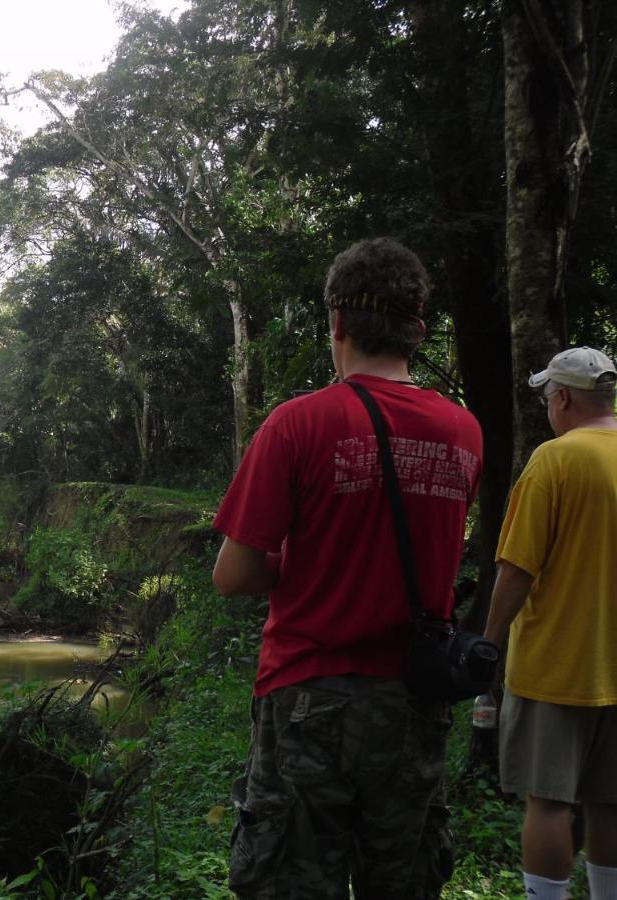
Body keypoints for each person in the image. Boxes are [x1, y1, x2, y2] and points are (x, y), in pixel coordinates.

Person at [211, 237, 483, 899]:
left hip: (310, 693)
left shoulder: (297, 425)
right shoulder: (462, 431)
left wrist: (297, 562)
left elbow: (233, 576)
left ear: (337, 323)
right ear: (414, 328)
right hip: (415, 701)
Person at [484, 346, 617, 900]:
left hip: (556, 667)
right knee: (610, 801)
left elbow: (517, 570)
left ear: (562, 398)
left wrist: (488, 646)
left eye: (547, 398)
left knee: (547, 802)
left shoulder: (555, 460)